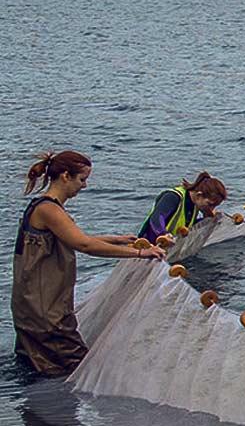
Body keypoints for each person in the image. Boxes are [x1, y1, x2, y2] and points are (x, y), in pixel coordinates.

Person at [13, 151, 166, 376]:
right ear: (65, 176)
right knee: (77, 370)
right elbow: (84, 246)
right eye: (82, 179)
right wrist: (141, 254)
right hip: (46, 314)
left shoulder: (42, 207)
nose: (84, 186)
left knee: (35, 369)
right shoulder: (49, 210)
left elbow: (72, 239)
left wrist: (117, 239)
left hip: (31, 308)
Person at [135, 171, 227, 242]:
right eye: (210, 204)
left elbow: (188, 225)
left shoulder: (195, 203)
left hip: (171, 246)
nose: (211, 209)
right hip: (150, 244)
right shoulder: (173, 197)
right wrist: (163, 234)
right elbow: (156, 218)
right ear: (199, 195)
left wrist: (208, 220)